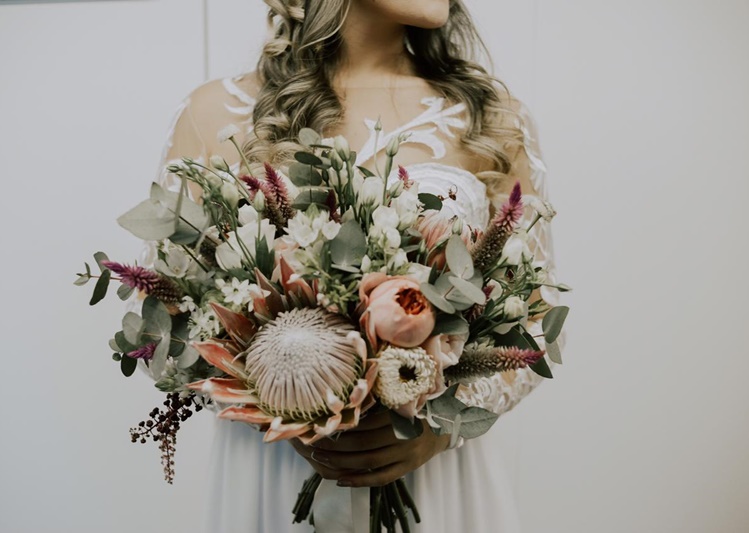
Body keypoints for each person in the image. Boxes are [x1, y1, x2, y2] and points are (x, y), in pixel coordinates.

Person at [155, 1, 564, 531]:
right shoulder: (215, 112)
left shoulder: (489, 114)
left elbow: (539, 319)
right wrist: (283, 406)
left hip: (435, 477)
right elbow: (164, 316)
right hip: (275, 472)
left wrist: (442, 427)